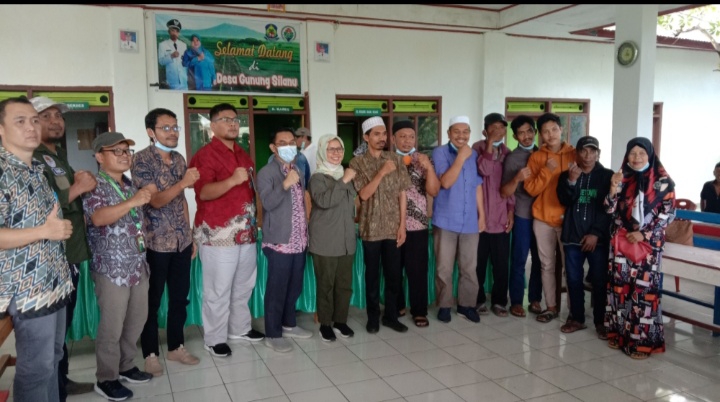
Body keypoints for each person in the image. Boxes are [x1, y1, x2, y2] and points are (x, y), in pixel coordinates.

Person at [0, 97, 74, 402]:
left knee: (53, 359)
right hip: (26, 289)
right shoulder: (3, 171)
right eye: (20, 121)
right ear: (1, 129)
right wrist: (44, 232)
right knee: (36, 369)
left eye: (34, 120)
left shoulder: (37, 170)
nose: (31, 127)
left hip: (54, 282)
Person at [29, 96, 97, 399]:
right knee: (51, 335)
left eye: (59, 116)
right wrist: (79, 188)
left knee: (62, 329)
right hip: (52, 260)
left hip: (69, 254)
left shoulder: (56, 156)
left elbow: (65, 198)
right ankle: (54, 389)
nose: (56, 121)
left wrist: (78, 186)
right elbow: (41, 208)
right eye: (46, 116)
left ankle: (61, 382)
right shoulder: (33, 158)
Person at [189, 103, 264, 358]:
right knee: (218, 289)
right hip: (218, 235)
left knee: (244, 285)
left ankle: (240, 329)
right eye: (225, 119)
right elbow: (203, 192)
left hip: (247, 233)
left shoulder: (243, 153)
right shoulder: (205, 155)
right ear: (213, 125)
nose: (233, 123)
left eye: (235, 119)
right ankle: (214, 339)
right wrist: (232, 180)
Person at [83, 132, 155, 400]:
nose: (125, 156)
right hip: (111, 268)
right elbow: (98, 218)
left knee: (136, 320)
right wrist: (133, 202)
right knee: (112, 326)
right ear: (99, 157)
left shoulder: (130, 184)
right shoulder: (94, 185)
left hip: (137, 264)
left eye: (127, 151)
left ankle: (126, 366)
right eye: (117, 151)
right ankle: (106, 378)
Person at [132, 108, 200, 377]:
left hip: (181, 242)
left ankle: (176, 347)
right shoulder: (141, 160)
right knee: (152, 301)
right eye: (166, 128)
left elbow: (182, 201)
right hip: (155, 244)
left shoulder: (179, 159)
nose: (173, 133)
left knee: (180, 298)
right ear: (151, 132)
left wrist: (190, 235)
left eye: (175, 127)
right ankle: (150, 354)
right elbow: (156, 200)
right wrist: (183, 182)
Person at [605, 137, 675, 360]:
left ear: (650, 155)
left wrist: (643, 234)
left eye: (641, 153)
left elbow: (668, 215)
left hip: (648, 245)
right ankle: (618, 333)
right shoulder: (621, 177)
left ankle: (641, 344)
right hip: (622, 241)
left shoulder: (663, 182)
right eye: (632, 153)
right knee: (619, 289)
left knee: (642, 294)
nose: (636, 158)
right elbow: (609, 210)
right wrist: (612, 188)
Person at [349, 116, 411, 334]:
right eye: (376, 134)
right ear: (366, 137)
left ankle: (391, 317)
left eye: (384, 134)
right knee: (372, 277)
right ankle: (373, 318)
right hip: (371, 229)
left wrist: (402, 225)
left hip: (393, 228)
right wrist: (382, 172)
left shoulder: (396, 159)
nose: (382, 138)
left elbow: (402, 194)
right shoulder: (357, 163)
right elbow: (364, 195)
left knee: (394, 276)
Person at [257, 127, 314, 352]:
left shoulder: (297, 168)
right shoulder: (267, 172)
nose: (289, 146)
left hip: (299, 239)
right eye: (283, 143)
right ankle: (273, 333)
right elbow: (268, 204)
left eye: (292, 142)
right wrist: (285, 184)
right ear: (273, 147)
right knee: (277, 289)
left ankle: (289, 324)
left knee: (294, 286)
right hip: (279, 241)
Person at [556, 136, 613, 338]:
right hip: (572, 236)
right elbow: (565, 200)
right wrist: (572, 181)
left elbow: (609, 209)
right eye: (583, 151)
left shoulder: (607, 176)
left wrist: (595, 233)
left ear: (598, 153)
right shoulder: (566, 175)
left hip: (598, 239)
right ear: (577, 153)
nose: (588, 155)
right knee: (573, 279)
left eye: (592, 151)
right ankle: (577, 318)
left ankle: (601, 321)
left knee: (599, 280)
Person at [431, 115, 485, 324]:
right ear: (448, 133)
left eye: (465, 132)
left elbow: (477, 186)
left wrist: (482, 215)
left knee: (469, 267)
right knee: (444, 268)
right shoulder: (440, 152)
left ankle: (466, 305)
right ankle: (444, 306)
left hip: (470, 220)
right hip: (446, 220)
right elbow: (445, 182)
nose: (461, 136)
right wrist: (461, 157)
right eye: (457, 132)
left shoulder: (474, 154)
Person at [524, 113, 576, 323]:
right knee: (546, 265)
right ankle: (551, 307)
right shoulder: (536, 157)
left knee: (570, 266)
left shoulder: (574, 154)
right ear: (541, 134)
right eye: (545, 131)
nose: (551, 134)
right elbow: (531, 189)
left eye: (554, 129)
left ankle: (574, 311)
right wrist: (547, 170)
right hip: (543, 219)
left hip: (569, 220)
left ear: (561, 129)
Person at [308, 134, 357, 341]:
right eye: (331, 149)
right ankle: (325, 324)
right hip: (325, 241)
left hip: (346, 240)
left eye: (339, 149)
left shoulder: (345, 174)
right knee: (326, 285)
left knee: (344, 285)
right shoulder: (317, 178)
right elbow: (325, 201)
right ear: (322, 151)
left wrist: (346, 179)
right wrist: (344, 180)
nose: (336, 153)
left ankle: (340, 321)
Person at [392, 120, 440, 328]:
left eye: (411, 137)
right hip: (391, 224)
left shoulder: (423, 159)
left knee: (417, 270)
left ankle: (419, 310)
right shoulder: (387, 159)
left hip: (418, 224)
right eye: (402, 136)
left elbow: (434, 191)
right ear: (393, 138)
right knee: (394, 269)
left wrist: (428, 168)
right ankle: (398, 305)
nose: (407, 140)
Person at [472, 113, 514, 318]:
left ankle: (499, 301)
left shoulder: (508, 153)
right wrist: (489, 144)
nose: (498, 131)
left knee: (501, 265)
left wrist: (511, 212)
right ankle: (478, 300)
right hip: (479, 219)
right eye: (494, 128)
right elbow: (484, 170)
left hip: (500, 217)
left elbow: (511, 186)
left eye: (502, 128)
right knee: (478, 264)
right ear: (485, 130)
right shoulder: (476, 149)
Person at [501, 115, 543, 318]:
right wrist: (517, 178)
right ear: (515, 136)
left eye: (529, 131)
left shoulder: (544, 154)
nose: (526, 136)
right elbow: (505, 191)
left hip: (543, 216)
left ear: (535, 132)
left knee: (540, 260)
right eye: (521, 133)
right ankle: (516, 301)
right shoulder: (512, 158)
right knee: (519, 259)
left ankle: (535, 299)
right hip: (523, 215)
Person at [158, 18, 188, 90]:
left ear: (179, 33)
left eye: (177, 31)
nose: (175, 33)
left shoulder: (183, 45)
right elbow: (161, 61)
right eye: (173, 30)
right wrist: (171, 56)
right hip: (172, 81)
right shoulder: (163, 45)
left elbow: (185, 62)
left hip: (184, 81)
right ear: (169, 31)